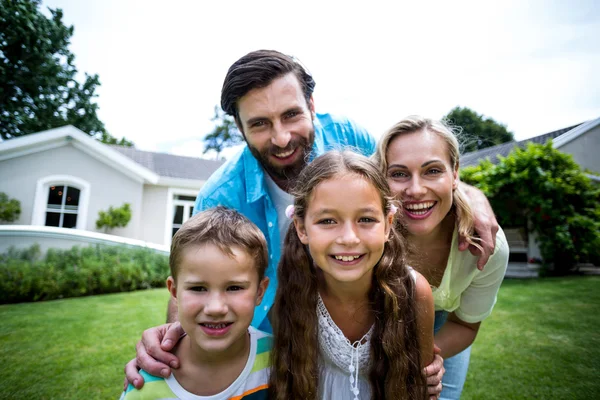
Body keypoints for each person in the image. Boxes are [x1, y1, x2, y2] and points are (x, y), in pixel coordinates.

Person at [125, 50, 498, 396]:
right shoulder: (220, 196)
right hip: (297, 343)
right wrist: (171, 337)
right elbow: (195, 268)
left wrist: (470, 195)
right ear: (239, 128)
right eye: (259, 123)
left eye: (291, 115)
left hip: (399, 316)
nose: (282, 137)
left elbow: (411, 178)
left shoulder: (351, 139)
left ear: (312, 106)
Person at [270, 150, 434, 399]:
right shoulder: (292, 287)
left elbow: (421, 387)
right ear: (302, 228)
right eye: (327, 221)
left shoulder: (414, 292)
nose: (348, 238)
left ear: (388, 224)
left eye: (366, 219)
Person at [373, 116, 510, 400]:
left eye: (432, 170)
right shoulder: (370, 235)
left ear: (455, 174)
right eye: (398, 174)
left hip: (448, 326)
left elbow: (465, 324)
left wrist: (422, 360)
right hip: (382, 323)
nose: (416, 189)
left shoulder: (487, 245)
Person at [120, 207, 272, 399]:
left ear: (260, 291)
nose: (216, 308)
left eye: (234, 288)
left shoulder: (282, 363)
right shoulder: (145, 385)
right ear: (174, 292)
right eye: (198, 288)